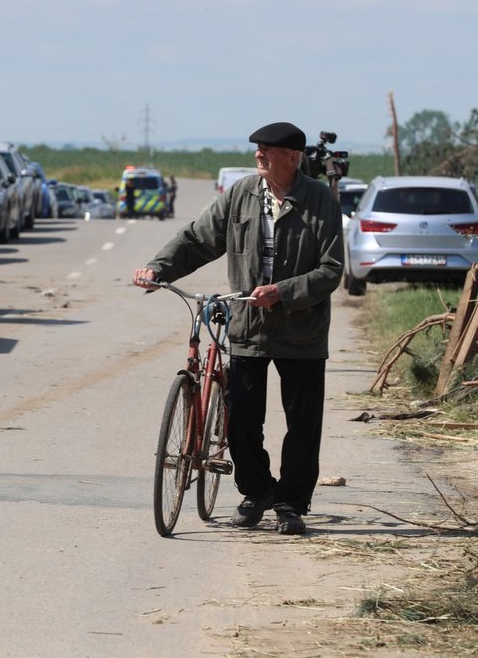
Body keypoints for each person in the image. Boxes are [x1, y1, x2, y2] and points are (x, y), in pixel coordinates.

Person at [133, 122, 343, 535]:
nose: (258, 156)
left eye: (267, 150)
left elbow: (331, 270)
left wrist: (283, 291)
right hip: (248, 326)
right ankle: (258, 491)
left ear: (293, 157)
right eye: (258, 149)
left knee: (303, 423)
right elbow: (198, 239)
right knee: (240, 417)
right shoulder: (243, 195)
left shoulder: (319, 200)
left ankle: (291, 503)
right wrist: (159, 267)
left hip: (302, 332)